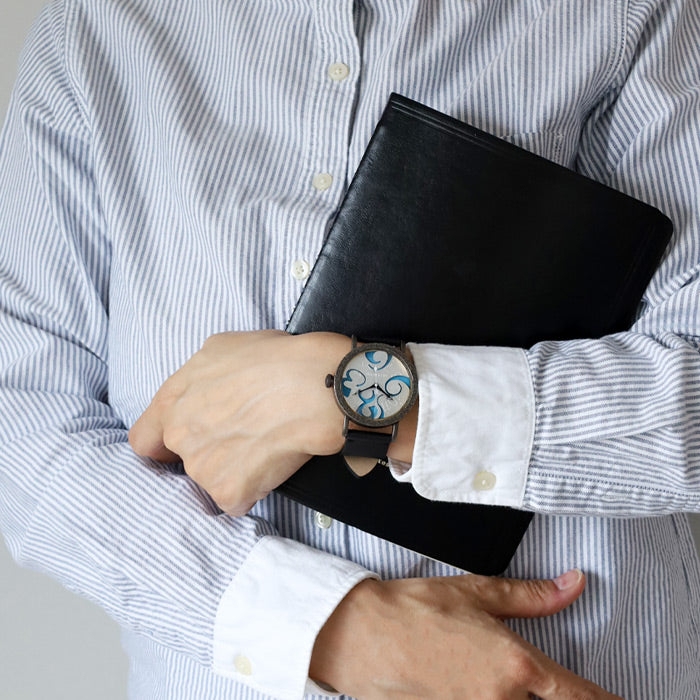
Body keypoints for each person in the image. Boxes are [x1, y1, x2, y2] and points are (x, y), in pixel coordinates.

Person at [0, 0, 699, 698]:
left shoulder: (634, 16)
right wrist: (329, 628)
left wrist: (347, 396)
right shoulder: (92, 28)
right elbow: (22, 423)